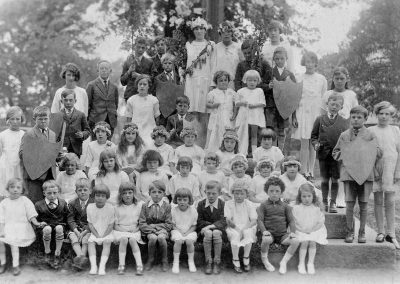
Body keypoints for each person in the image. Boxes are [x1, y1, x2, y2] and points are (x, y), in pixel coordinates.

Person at [333, 106, 381, 243]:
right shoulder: (344, 135)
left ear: (365, 119)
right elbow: (335, 152)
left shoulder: (370, 135)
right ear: (350, 118)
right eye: (353, 117)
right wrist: (347, 155)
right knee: (349, 205)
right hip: (349, 174)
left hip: (366, 174)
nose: (355, 119)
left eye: (359, 117)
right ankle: (349, 232)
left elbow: (378, 152)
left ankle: (362, 232)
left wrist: (371, 152)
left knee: (364, 205)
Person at [292, 51, 328, 180]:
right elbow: (295, 98)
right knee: (304, 143)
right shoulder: (298, 77)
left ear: (315, 63)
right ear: (304, 63)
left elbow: (324, 99)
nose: (310, 64)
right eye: (307, 61)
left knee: (314, 143)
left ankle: (311, 172)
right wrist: (294, 116)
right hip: (302, 111)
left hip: (315, 113)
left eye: (312, 62)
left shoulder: (322, 79)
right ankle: (303, 172)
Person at [369, 101, 400, 248]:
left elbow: (399, 152)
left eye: (387, 114)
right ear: (377, 114)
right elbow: (368, 153)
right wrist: (373, 170)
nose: (383, 116)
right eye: (381, 113)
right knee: (378, 200)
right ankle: (380, 231)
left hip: (391, 168)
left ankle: (391, 233)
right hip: (376, 169)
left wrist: (397, 171)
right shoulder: (371, 130)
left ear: (391, 115)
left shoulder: (395, 130)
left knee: (390, 201)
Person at [310, 94, 349, 212]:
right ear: (327, 104)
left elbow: (346, 139)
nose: (334, 107)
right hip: (323, 154)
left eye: (337, 105)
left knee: (335, 179)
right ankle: (324, 202)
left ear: (341, 107)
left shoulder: (344, 122)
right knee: (324, 179)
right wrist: (315, 144)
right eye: (332, 104)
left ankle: (333, 203)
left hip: (337, 156)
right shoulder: (319, 119)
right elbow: (314, 136)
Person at [0, 178, 44, 276]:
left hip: (21, 226)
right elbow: (1, 219)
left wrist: (36, 223)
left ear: (22, 190)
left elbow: (31, 214)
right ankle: (2, 262)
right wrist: (2, 230)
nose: (15, 190)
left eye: (18, 187)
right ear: (8, 189)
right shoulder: (4, 203)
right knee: (0, 242)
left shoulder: (24, 200)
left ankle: (15, 265)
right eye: (12, 187)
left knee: (14, 243)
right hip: (7, 226)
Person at [257, 176, 299, 274]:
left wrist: (292, 232)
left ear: (281, 192)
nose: (274, 194)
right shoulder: (263, 205)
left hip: (282, 235)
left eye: (277, 191)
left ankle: (283, 262)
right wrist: (264, 231)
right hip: (269, 234)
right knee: (266, 239)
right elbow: (259, 220)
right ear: (267, 191)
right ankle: (265, 260)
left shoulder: (286, 206)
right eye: (271, 191)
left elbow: (292, 221)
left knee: (296, 241)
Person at [20, 106, 61, 204]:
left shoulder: (52, 134)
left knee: (49, 202)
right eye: (40, 119)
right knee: (35, 202)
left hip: (50, 174)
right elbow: (22, 154)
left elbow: (52, 153)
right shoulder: (29, 134)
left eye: (45, 118)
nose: (43, 121)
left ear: (49, 118)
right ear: (34, 119)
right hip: (35, 176)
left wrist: (57, 155)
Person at [184, 17, 215, 147]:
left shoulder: (211, 45)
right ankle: (191, 143)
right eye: (196, 28)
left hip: (205, 81)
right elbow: (184, 64)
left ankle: (204, 146)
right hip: (191, 82)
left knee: (205, 113)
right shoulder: (188, 45)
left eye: (201, 28)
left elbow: (213, 65)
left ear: (205, 30)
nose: (199, 31)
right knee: (192, 112)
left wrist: (213, 85)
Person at [293, 183, 328, 275]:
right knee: (304, 241)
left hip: (315, 230)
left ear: (313, 196)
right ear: (300, 197)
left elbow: (320, 222)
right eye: (304, 196)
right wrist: (302, 230)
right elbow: (294, 222)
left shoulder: (316, 208)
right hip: (301, 230)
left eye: (309, 196)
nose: (307, 199)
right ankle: (301, 264)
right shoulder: (297, 208)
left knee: (312, 241)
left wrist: (312, 230)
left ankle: (310, 263)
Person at [266, 47, 297, 150]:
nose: (279, 61)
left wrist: (294, 116)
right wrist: (267, 86)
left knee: (281, 130)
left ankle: (280, 154)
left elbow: (294, 95)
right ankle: (273, 152)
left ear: (286, 59)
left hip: (284, 107)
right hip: (271, 107)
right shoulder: (269, 72)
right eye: (277, 59)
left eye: (282, 59)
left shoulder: (290, 74)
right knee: (272, 130)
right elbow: (260, 86)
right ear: (274, 59)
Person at [139, 180, 172, 272]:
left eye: (159, 192)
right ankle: (150, 259)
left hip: (163, 231)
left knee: (161, 238)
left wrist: (157, 227)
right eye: (153, 192)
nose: (156, 194)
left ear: (164, 194)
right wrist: (152, 229)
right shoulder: (145, 206)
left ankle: (164, 260)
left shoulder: (167, 206)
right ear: (149, 193)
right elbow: (142, 223)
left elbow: (169, 224)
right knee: (153, 238)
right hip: (149, 231)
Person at [35, 180, 69, 269]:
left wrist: (68, 227)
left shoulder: (63, 203)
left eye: (55, 193)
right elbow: (36, 219)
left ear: (58, 192)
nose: (52, 195)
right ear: (44, 193)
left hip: (59, 224)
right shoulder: (39, 204)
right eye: (49, 193)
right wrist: (39, 224)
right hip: (46, 226)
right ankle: (47, 251)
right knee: (47, 229)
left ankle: (57, 253)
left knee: (59, 228)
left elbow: (66, 217)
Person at [225, 180, 257, 273]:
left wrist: (244, 229)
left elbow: (254, 220)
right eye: (236, 193)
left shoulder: (249, 204)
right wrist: (238, 230)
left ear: (246, 194)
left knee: (248, 233)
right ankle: (235, 258)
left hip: (247, 225)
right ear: (232, 193)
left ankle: (246, 257)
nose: (239, 196)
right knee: (235, 235)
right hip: (233, 226)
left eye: (241, 193)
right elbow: (228, 220)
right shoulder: (228, 204)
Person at [114, 182, 145, 275]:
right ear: (121, 195)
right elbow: (115, 225)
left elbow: (142, 221)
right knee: (124, 239)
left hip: (134, 230)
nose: (127, 195)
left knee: (132, 240)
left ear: (134, 193)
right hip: (120, 230)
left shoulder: (139, 205)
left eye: (130, 193)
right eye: (124, 193)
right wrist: (124, 230)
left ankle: (139, 265)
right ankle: (121, 265)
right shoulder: (116, 207)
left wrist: (136, 229)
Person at [233, 70, 266, 156]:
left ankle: (254, 153)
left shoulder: (259, 91)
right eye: (250, 80)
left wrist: (254, 105)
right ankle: (242, 152)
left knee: (254, 134)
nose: (252, 82)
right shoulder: (241, 91)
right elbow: (236, 103)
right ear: (245, 80)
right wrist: (243, 103)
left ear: (258, 81)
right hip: (244, 115)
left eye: (254, 80)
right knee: (243, 133)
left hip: (255, 115)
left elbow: (263, 103)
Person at [196, 181, 226, 275]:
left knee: (216, 233)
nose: (211, 196)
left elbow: (223, 220)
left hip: (219, 230)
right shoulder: (201, 204)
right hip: (204, 230)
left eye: (214, 193)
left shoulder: (222, 204)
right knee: (209, 233)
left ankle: (217, 261)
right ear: (205, 192)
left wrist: (210, 226)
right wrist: (207, 227)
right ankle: (208, 261)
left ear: (219, 193)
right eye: (208, 193)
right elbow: (199, 220)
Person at [50, 89, 90, 157]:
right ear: (61, 101)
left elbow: (88, 131)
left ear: (75, 101)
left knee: (74, 166)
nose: (68, 102)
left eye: (71, 100)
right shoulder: (57, 115)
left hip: (76, 148)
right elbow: (53, 133)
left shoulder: (81, 115)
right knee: (62, 166)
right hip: (61, 148)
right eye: (65, 100)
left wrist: (82, 134)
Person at [87, 184, 115, 275]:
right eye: (97, 195)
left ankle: (102, 266)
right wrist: (97, 235)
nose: (100, 198)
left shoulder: (110, 208)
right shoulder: (90, 207)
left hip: (107, 232)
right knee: (91, 243)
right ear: (94, 196)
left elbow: (111, 225)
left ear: (107, 197)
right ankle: (94, 266)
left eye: (103, 196)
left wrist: (103, 236)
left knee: (107, 243)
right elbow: (90, 224)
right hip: (95, 232)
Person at [125, 75, 160, 146]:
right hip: (135, 131)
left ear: (148, 86)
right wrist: (130, 131)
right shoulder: (131, 100)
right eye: (140, 84)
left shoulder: (154, 100)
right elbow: (129, 118)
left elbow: (157, 118)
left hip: (150, 131)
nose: (142, 86)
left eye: (144, 84)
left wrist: (155, 132)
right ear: (137, 86)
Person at [206, 70, 236, 152]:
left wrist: (234, 115)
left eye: (225, 80)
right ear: (216, 82)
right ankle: (214, 150)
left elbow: (235, 104)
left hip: (228, 116)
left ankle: (228, 149)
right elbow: (207, 104)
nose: (223, 82)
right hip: (216, 117)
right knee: (215, 133)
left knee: (227, 133)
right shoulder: (213, 93)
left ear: (228, 81)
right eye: (220, 81)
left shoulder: (232, 92)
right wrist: (213, 105)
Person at [87, 60, 119, 136]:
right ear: (98, 70)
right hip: (96, 120)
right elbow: (88, 104)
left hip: (111, 120)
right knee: (96, 145)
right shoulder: (91, 85)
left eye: (106, 68)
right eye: (101, 68)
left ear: (110, 71)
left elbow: (115, 104)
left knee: (109, 145)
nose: (104, 70)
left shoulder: (114, 87)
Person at [67, 178, 93, 270]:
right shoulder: (72, 203)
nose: (82, 192)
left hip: (88, 228)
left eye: (85, 190)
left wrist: (84, 232)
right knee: (73, 236)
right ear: (76, 191)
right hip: (76, 228)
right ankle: (81, 256)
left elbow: (93, 220)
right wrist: (76, 231)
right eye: (80, 190)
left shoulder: (93, 203)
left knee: (86, 238)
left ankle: (80, 260)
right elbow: (70, 219)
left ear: (90, 191)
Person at [171, 188, 198, 274]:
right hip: (177, 230)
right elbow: (173, 225)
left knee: (189, 242)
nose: (182, 202)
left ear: (189, 200)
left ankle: (191, 262)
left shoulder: (193, 210)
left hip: (190, 231)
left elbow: (194, 225)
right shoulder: (173, 210)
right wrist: (180, 232)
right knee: (178, 241)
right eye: (179, 199)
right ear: (176, 200)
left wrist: (187, 233)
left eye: (185, 200)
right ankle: (176, 262)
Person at [211, 21, 244, 90]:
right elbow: (213, 66)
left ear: (232, 33)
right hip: (219, 83)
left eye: (229, 32)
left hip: (234, 83)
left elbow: (242, 66)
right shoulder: (216, 47)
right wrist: (212, 84)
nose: (226, 34)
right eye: (224, 32)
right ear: (220, 34)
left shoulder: (238, 47)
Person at [0, 107, 25, 197]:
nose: (15, 121)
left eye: (17, 119)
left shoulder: (24, 135)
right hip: (5, 166)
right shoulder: (2, 135)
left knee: (18, 189)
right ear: (8, 120)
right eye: (12, 119)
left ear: (21, 119)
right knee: (5, 190)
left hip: (19, 165)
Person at [121, 37, 154, 101]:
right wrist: (129, 72)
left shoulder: (150, 62)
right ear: (134, 47)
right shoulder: (127, 61)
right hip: (130, 95)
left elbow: (153, 79)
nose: (140, 50)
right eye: (138, 47)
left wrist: (139, 76)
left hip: (145, 96)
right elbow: (122, 82)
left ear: (145, 49)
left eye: (143, 48)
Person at [153, 53, 181, 126]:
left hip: (176, 109)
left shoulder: (179, 77)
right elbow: (156, 94)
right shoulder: (158, 78)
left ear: (173, 64)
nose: (167, 65)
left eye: (170, 63)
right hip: (163, 109)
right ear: (162, 65)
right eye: (165, 63)